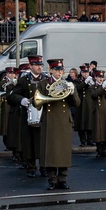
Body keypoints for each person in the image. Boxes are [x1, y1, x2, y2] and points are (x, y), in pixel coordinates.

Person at [36, 59, 81, 190]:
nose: (60, 72)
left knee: (63, 152)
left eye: (61, 70)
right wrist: (50, 94)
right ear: (50, 70)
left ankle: (62, 179)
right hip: (50, 121)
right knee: (50, 152)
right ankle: (52, 180)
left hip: (64, 122)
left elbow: (77, 103)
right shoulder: (43, 84)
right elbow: (36, 102)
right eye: (57, 70)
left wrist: (72, 91)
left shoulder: (68, 84)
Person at [87, 69, 106, 158]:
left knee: (105, 130)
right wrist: (102, 87)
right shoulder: (92, 87)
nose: (101, 79)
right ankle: (99, 149)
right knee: (97, 131)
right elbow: (94, 95)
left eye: (102, 77)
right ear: (95, 77)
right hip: (96, 110)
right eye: (99, 77)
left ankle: (104, 149)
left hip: (105, 110)